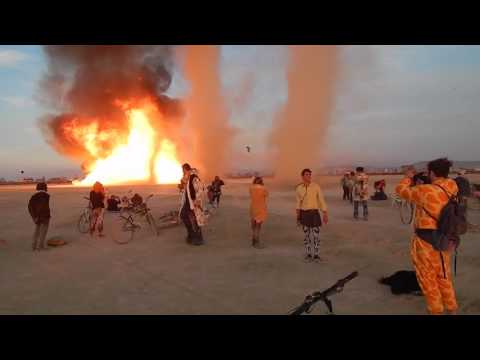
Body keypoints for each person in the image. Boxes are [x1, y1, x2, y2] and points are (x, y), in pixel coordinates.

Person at [395, 158, 459, 315]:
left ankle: (436, 310)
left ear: (431, 172)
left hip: (426, 241)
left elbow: (400, 191)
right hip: (445, 238)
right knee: (444, 275)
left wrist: (408, 177)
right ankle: (452, 309)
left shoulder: (425, 191)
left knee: (428, 278)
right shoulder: (452, 185)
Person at [295, 168, 329, 262]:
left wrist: (325, 213)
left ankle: (317, 255)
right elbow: (298, 204)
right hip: (304, 214)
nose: (309, 176)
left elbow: (321, 200)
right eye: (306, 174)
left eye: (310, 174)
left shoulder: (316, 186)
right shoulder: (299, 188)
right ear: (302, 176)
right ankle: (309, 254)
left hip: (314, 214)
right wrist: (298, 217)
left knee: (316, 236)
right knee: (306, 236)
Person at [179, 163, 205, 246]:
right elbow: (184, 189)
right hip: (187, 203)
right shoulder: (187, 178)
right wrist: (181, 186)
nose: (183, 172)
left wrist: (197, 201)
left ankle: (198, 239)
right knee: (183, 216)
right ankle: (191, 234)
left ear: (186, 169)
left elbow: (200, 190)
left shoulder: (194, 178)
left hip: (193, 203)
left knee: (195, 220)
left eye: (183, 170)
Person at [28, 182, 51, 251]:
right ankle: (40, 247)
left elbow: (30, 207)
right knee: (43, 232)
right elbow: (43, 207)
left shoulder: (33, 196)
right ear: (45, 188)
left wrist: (34, 217)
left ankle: (33, 246)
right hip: (44, 217)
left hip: (37, 217)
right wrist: (44, 216)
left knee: (36, 232)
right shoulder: (45, 196)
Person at [249, 177, 268, 249]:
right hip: (261, 208)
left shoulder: (251, 188)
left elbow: (251, 195)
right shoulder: (264, 189)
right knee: (258, 226)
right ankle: (256, 242)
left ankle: (253, 239)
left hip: (253, 207)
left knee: (253, 226)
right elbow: (266, 195)